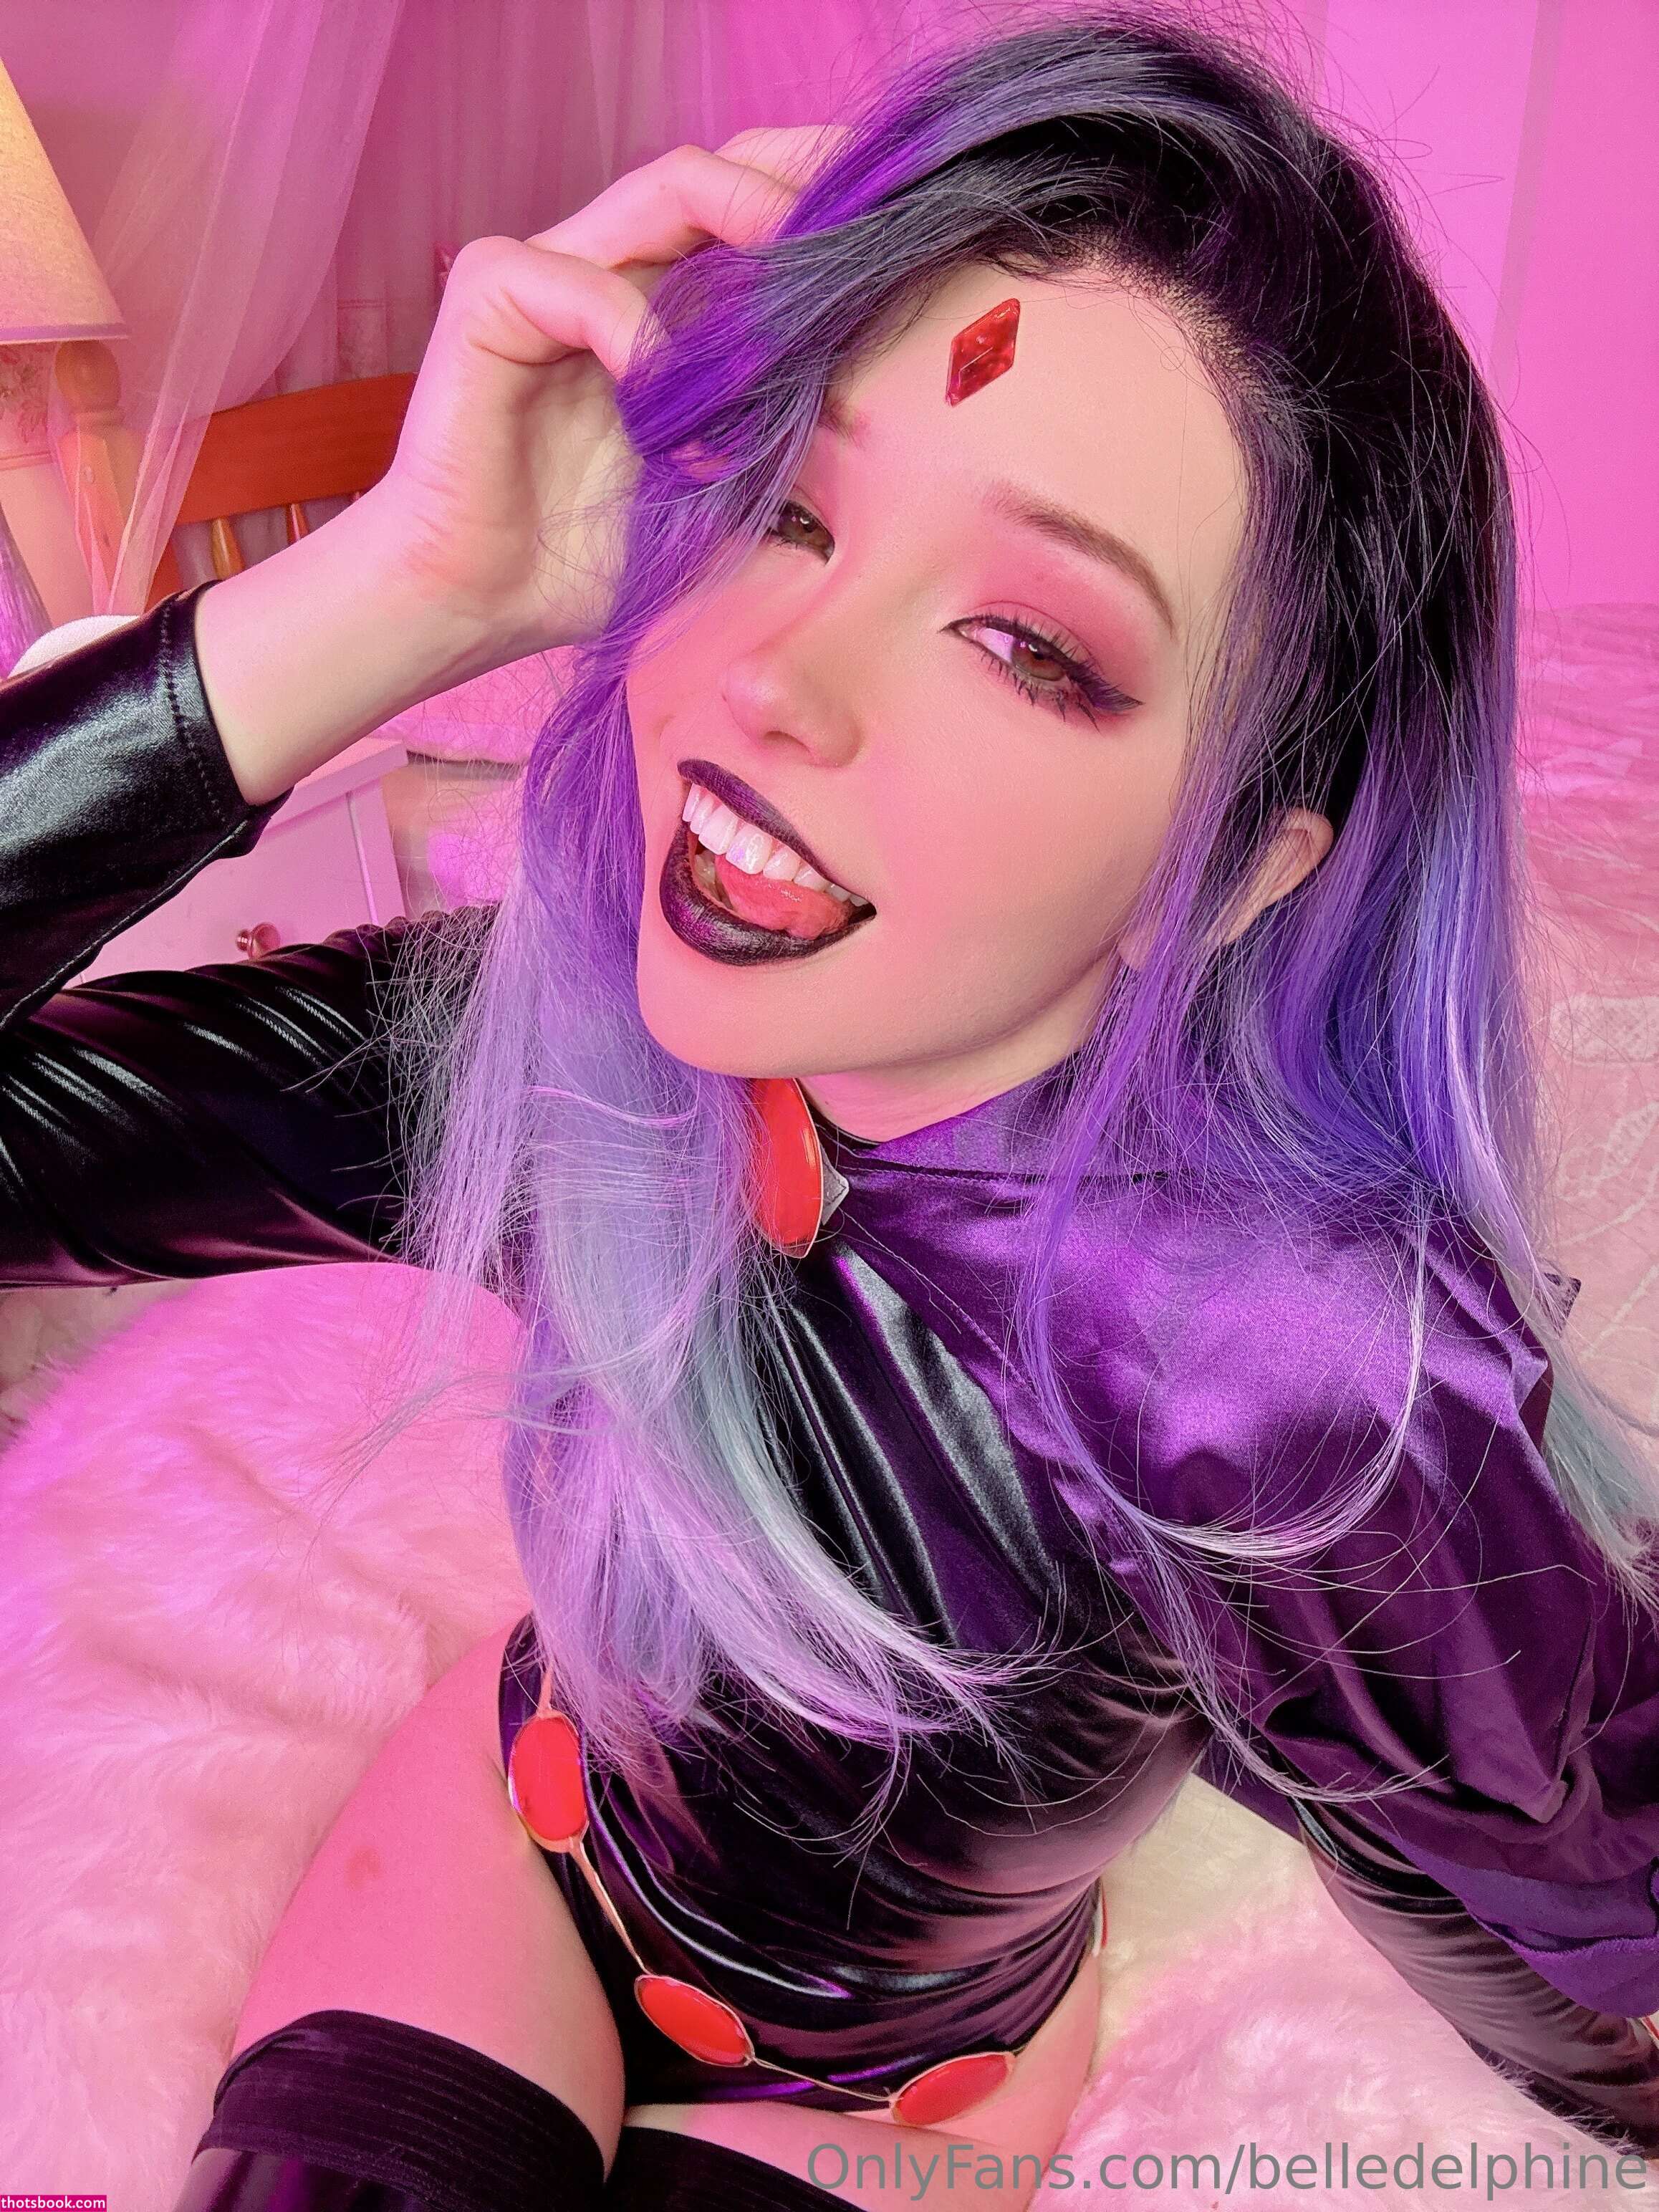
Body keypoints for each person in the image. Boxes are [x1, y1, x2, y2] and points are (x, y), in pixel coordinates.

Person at [5, 11, 1659, 2210]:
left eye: (1028, 643)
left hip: (904, 2091)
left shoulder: (1286, 1369)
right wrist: (393, 597)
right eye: (786, 509)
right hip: (503, 1839)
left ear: (1237, 870)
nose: (766, 679)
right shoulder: (559, 1052)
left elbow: (1552, 1888)